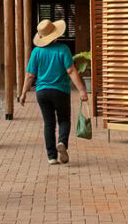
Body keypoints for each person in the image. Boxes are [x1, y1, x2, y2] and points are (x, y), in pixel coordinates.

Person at [18, 18, 89, 165]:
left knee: (48, 123)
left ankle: (51, 156)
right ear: (55, 35)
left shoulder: (36, 52)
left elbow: (30, 75)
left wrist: (23, 93)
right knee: (64, 119)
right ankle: (62, 142)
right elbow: (71, 71)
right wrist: (82, 90)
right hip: (60, 91)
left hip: (42, 92)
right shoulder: (63, 49)